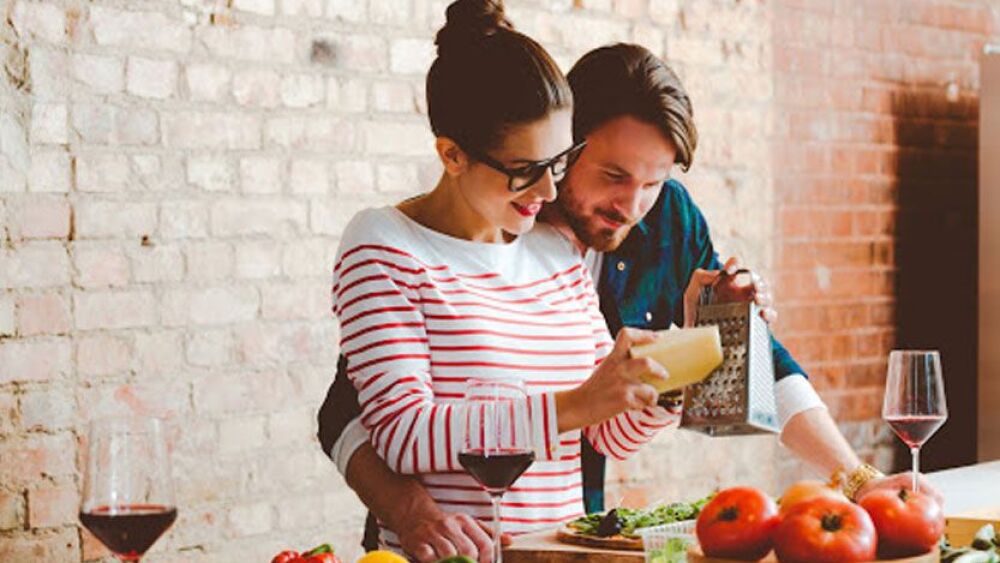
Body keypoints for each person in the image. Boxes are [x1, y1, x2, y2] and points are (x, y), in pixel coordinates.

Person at [320, 42, 943, 562]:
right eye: (613, 176)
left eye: (655, 182)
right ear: (567, 146)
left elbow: (633, 415)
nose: (633, 206)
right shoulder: (424, 237)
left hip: (561, 536)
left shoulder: (645, 226)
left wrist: (700, 347)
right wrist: (407, 505)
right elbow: (367, 414)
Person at [328, 1, 683, 557]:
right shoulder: (386, 245)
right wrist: (574, 404)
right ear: (452, 154)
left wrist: (663, 389)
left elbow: (605, 433)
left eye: (559, 164)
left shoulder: (555, 251)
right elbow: (402, 434)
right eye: (524, 170)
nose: (546, 193)